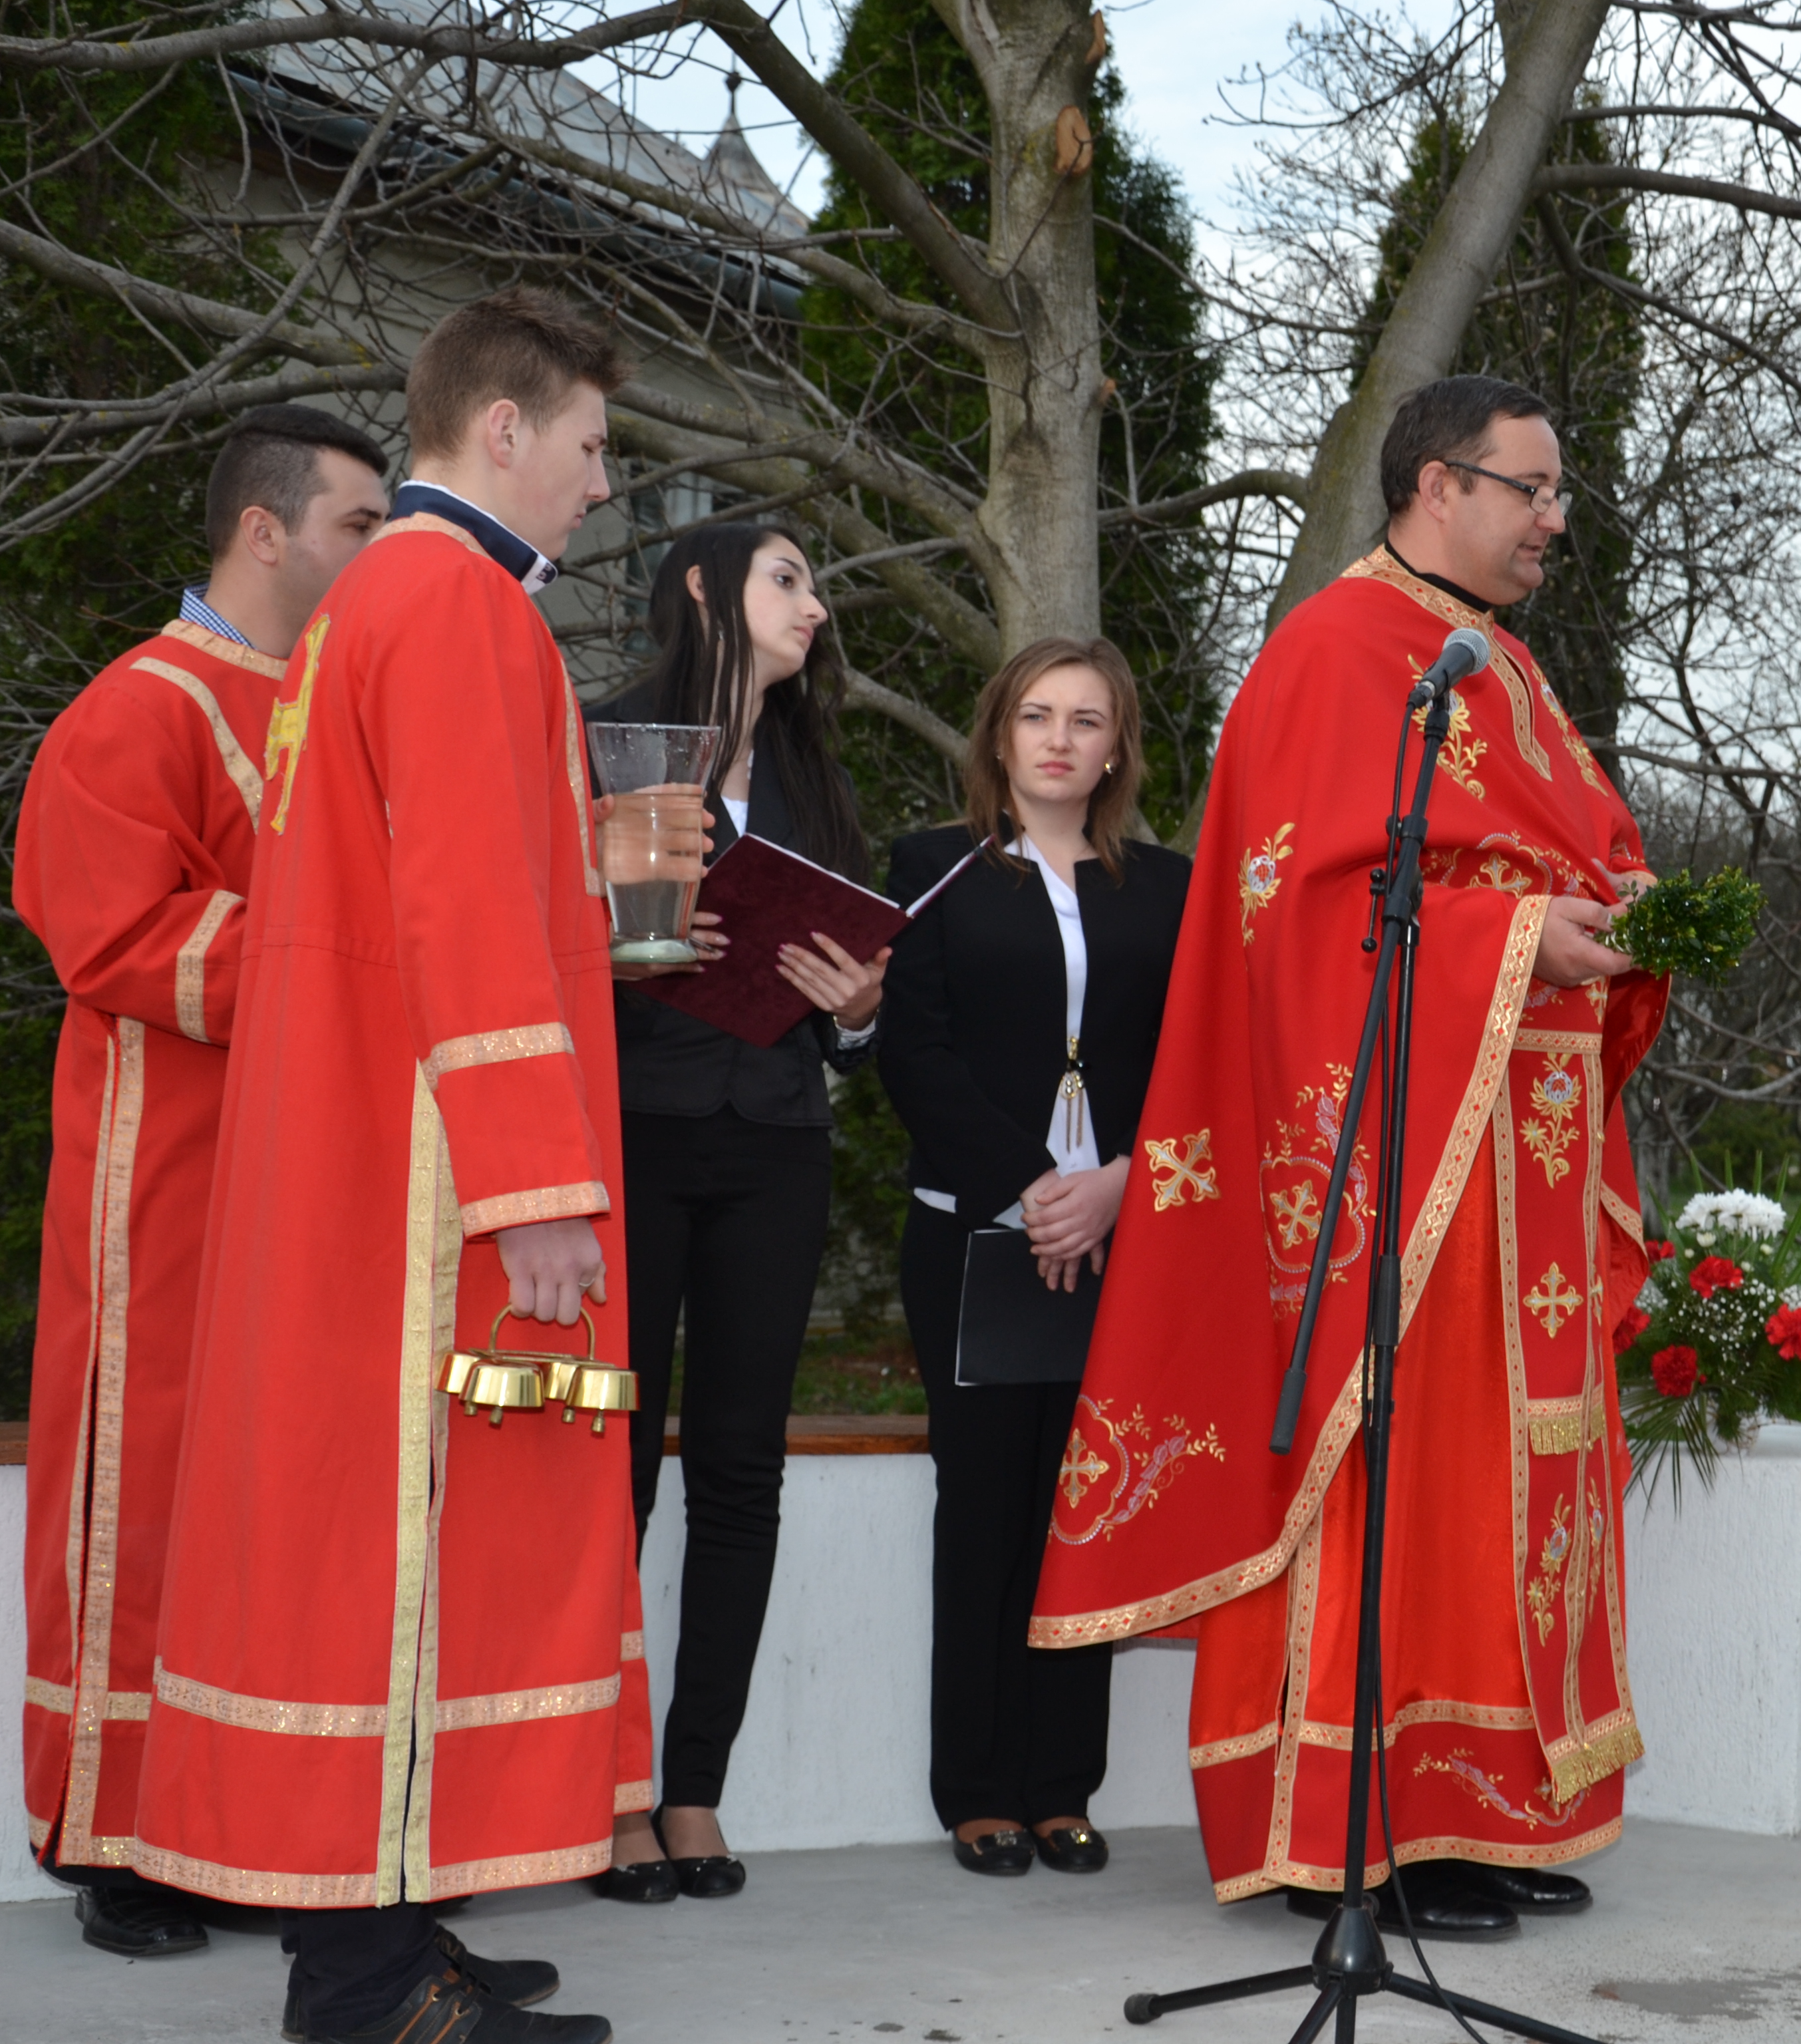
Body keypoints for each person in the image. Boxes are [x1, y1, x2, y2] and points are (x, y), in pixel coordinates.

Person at [1027, 377, 1667, 1938]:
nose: (1554, 518)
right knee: (1411, 1479)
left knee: (1504, 1498)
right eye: (1532, 486)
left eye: (1555, 489)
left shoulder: (1500, 664)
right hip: (1402, 1158)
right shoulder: (1338, 650)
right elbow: (1294, 917)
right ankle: (1368, 1827)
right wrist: (1517, 930)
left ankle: (1487, 1807)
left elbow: (1567, 845)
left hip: (1523, 1144)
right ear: (1438, 483)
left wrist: (1621, 915)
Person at [134, 288, 645, 2044]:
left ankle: (401, 1922)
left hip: (393, 1167)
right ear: (502, 431)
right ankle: (367, 1991)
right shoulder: (452, 606)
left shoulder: (389, 605)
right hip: (445, 1198)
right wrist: (534, 1182)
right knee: (425, 1544)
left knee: (415, 1547)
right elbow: (463, 911)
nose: (600, 490)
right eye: (590, 450)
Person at [13, 405, 391, 1961]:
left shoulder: (330, 700)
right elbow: (108, 934)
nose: (377, 556)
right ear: (265, 527)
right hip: (160, 1168)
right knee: (149, 1479)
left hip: (300, 1167)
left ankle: (233, 1814)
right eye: (360, 524)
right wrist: (351, 953)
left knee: (268, 1504)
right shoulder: (141, 706)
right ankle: (114, 1832)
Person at [587, 523, 889, 1903]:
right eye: (790, 579)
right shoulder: (597, 744)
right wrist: (622, 942)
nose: (816, 606)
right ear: (705, 588)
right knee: (611, 1475)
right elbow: (523, 943)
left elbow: (845, 982)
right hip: (632, 1135)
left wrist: (860, 1011)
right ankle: (605, 1795)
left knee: (740, 1472)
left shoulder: (821, 779)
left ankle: (694, 1788)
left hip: (776, 1139)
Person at [875, 637, 1190, 1880]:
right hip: (976, 1233)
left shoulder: (1164, 888)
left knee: (1086, 1511)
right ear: (999, 735)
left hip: (1122, 1238)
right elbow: (916, 1056)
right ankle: (977, 1787)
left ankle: (1063, 1785)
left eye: (1087, 719)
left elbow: (1194, 1061)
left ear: (1115, 746)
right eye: (1036, 716)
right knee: (988, 1511)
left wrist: (1117, 1188)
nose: (1059, 738)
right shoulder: (930, 871)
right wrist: (1035, 1189)